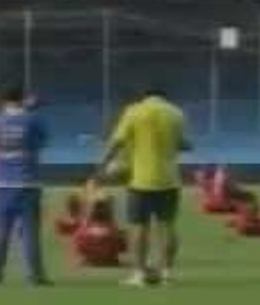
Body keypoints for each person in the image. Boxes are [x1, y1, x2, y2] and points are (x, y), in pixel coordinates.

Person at [98, 88, 191, 286]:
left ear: (144, 97)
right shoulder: (176, 113)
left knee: (139, 227)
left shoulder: (134, 111)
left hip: (141, 180)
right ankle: (167, 273)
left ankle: (139, 274)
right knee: (168, 227)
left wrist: (103, 165)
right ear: (164, 97)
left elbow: (117, 141)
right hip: (169, 179)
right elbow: (184, 144)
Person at [0, 85, 52, 285]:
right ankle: (34, 275)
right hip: (27, 182)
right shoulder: (32, 119)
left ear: (3, 100)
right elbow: (42, 142)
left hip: (1, 183)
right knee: (29, 232)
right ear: (22, 98)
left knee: (0, 230)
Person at [56, 180, 127, 267]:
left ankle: (96, 258)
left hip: (95, 241)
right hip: (106, 243)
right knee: (119, 233)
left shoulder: (84, 208)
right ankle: (107, 258)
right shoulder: (106, 203)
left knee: (80, 232)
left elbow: (63, 228)